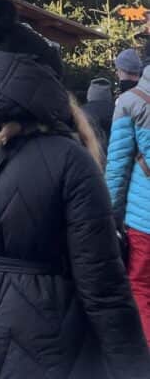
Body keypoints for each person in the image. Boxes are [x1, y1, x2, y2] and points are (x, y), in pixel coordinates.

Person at [0, 0, 149, 379]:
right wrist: (132, 367)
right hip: (50, 339)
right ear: (49, 85)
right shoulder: (71, 160)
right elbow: (102, 286)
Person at [106, 58, 150, 341]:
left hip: (143, 222)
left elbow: (117, 167)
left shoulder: (130, 101)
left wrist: (109, 215)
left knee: (140, 287)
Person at [82, 77, 114, 154]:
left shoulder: (82, 112)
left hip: (89, 155)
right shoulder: (117, 110)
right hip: (112, 154)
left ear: (89, 94)